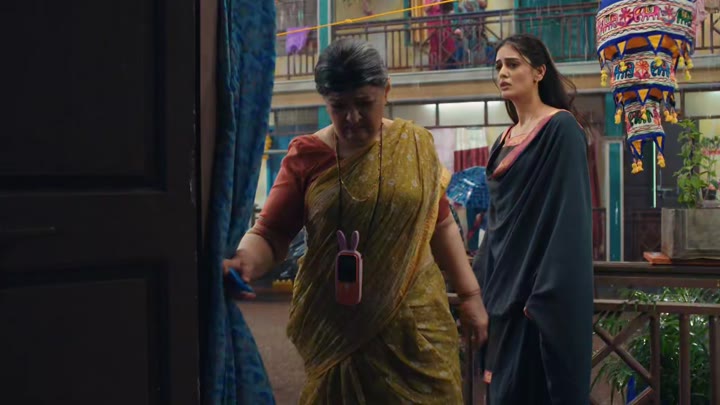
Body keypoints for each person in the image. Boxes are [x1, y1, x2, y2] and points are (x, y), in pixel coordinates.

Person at [223, 37, 488, 404]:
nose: (352, 118)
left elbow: (441, 224)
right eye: (339, 107)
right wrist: (245, 261)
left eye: (364, 104)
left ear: (386, 91)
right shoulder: (308, 155)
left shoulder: (415, 146)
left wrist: (470, 295)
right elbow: (271, 232)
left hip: (418, 330)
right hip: (340, 331)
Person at [478, 33, 594, 404]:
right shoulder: (504, 139)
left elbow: (569, 214)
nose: (503, 73)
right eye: (498, 66)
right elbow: (496, 221)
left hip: (538, 295)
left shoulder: (561, 129)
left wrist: (547, 291)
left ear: (539, 72)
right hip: (500, 288)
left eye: (513, 64)